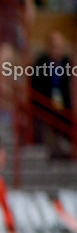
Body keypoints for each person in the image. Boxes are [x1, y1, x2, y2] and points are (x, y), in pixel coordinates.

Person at [30, 31, 73, 159]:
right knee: (47, 122)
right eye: (54, 46)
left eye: (60, 46)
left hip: (64, 106)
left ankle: (69, 150)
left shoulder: (67, 63)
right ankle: (56, 152)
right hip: (46, 106)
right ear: (48, 47)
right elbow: (35, 87)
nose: (57, 50)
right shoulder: (40, 63)